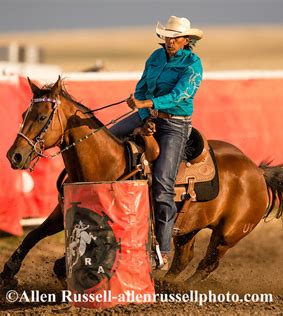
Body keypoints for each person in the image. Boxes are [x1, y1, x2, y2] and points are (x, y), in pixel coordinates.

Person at [110, 16, 203, 269]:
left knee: (163, 186)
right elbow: (140, 90)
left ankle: (161, 251)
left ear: (187, 40)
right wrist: (143, 119)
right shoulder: (155, 57)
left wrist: (149, 105)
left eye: (175, 37)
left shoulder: (193, 63)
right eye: (167, 36)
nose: (170, 41)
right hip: (148, 116)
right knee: (106, 139)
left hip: (175, 124)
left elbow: (181, 94)